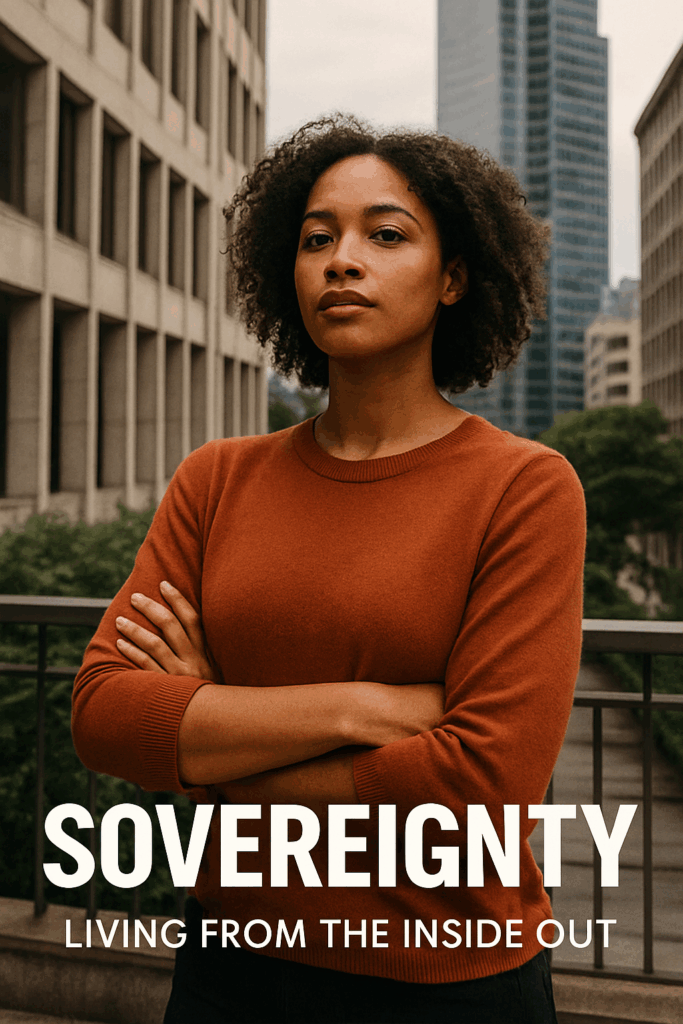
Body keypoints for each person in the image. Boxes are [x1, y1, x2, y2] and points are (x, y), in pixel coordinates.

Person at [72, 114, 586, 1023]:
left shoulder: (526, 488)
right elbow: (106, 716)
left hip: (450, 983)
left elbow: (482, 788)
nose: (341, 260)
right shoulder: (217, 478)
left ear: (454, 278)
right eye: (317, 239)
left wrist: (210, 738)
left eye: (384, 235)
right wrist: (366, 709)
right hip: (229, 965)